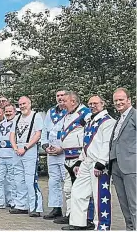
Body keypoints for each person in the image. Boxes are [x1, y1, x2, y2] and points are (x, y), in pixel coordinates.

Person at [63, 95, 116, 230]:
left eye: (95, 103)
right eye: (90, 104)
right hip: (87, 162)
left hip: (99, 164)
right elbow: (86, 144)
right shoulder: (90, 121)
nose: (92, 106)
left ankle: (102, 225)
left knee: (100, 196)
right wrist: (80, 161)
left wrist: (101, 162)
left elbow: (107, 144)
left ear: (103, 104)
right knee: (77, 191)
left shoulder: (108, 121)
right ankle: (78, 222)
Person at [54, 91, 91, 224]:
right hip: (67, 156)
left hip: (79, 157)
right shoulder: (67, 115)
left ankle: (85, 218)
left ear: (73, 101)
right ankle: (70, 214)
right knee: (68, 189)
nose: (62, 103)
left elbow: (90, 132)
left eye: (65, 101)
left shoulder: (85, 112)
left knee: (80, 190)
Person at [9, 96, 44, 217]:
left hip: (29, 149)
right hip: (17, 149)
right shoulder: (17, 118)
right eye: (20, 104)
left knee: (30, 180)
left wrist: (25, 148)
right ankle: (21, 205)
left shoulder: (36, 116)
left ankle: (35, 207)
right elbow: (12, 134)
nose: (22, 106)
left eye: (24, 103)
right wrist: (15, 148)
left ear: (29, 104)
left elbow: (38, 134)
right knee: (18, 179)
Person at [109, 87, 136, 230]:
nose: (118, 102)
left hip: (131, 166)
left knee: (134, 203)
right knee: (124, 204)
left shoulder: (134, 116)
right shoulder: (119, 119)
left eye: (121, 99)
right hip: (116, 165)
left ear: (129, 100)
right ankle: (130, 228)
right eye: (116, 100)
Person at [41, 90, 68, 220]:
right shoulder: (50, 111)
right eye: (58, 96)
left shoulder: (71, 111)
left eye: (62, 95)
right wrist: (45, 146)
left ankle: (70, 211)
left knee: (67, 181)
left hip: (64, 151)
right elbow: (45, 129)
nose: (60, 98)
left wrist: (62, 148)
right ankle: (56, 208)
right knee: (53, 181)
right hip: (51, 151)